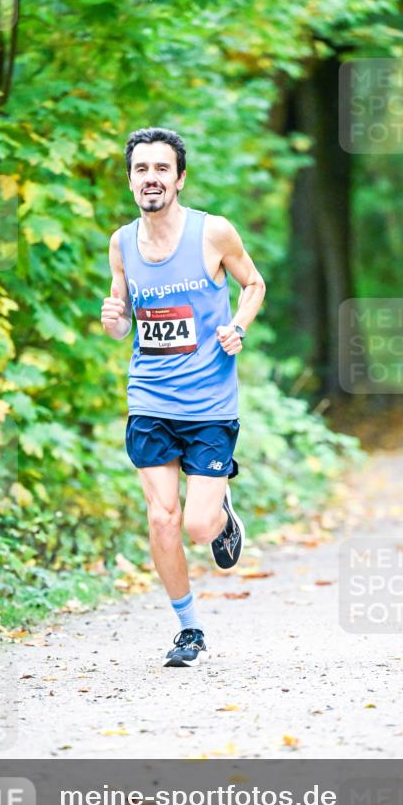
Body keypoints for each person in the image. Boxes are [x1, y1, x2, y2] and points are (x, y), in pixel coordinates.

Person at [101, 127, 266, 668]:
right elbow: (125, 322)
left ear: (179, 177)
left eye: (161, 168)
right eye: (141, 169)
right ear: (130, 180)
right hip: (150, 398)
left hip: (210, 403)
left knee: (197, 525)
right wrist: (115, 319)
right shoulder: (121, 243)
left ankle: (223, 515)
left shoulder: (212, 233)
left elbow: (254, 284)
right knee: (162, 518)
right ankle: (189, 628)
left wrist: (238, 327)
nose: (152, 178)